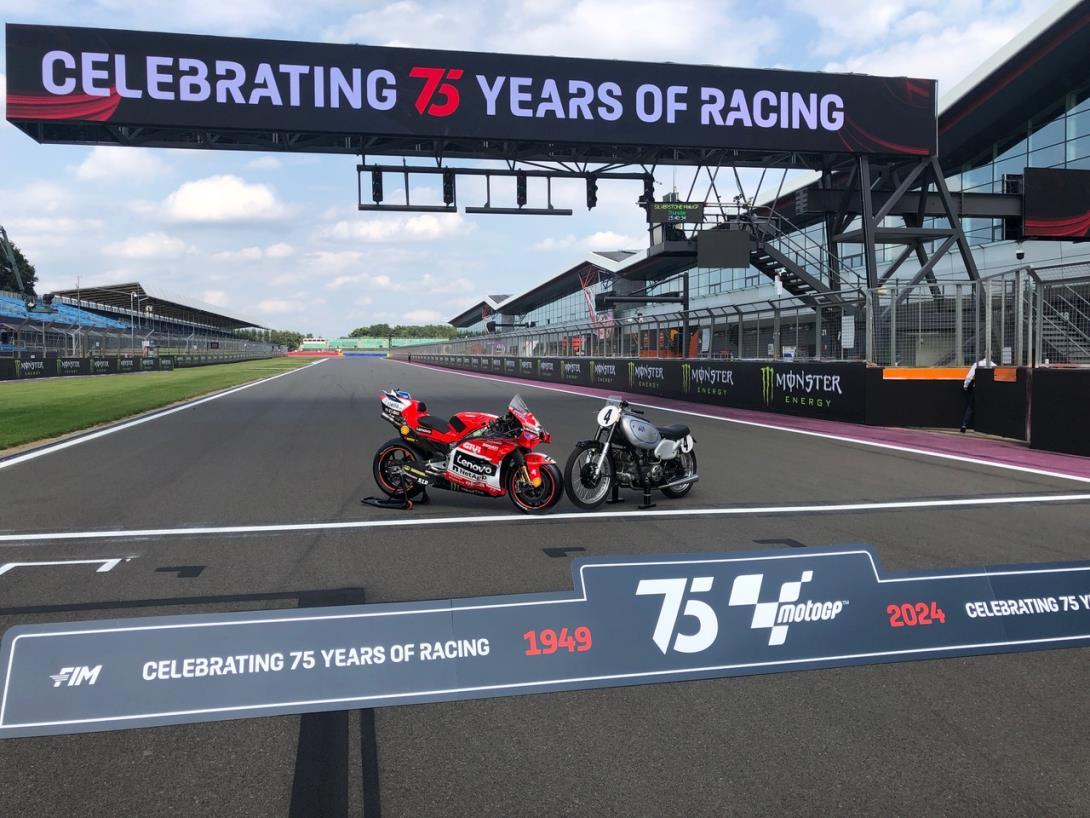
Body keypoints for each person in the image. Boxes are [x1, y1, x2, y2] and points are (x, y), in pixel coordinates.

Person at [961, 356, 992, 433]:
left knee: (971, 407)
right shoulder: (994, 365)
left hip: (977, 388)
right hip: (989, 389)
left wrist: (965, 386)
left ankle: (964, 425)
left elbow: (969, 377)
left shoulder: (977, 364)